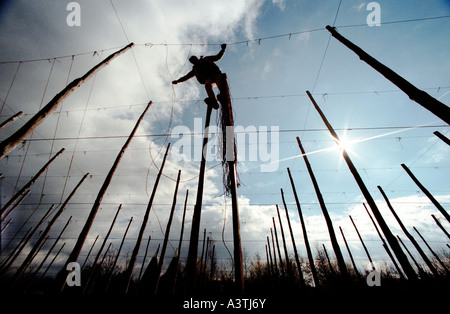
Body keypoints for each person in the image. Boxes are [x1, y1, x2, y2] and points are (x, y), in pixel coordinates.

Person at [172, 44, 227, 109]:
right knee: (207, 85)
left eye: (194, 59)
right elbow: (186, 77)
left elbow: (217, 57)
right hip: (208, 79)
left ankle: (223, 95)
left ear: (197, 58)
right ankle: (214, 101)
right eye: (193, 61)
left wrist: (223, 50)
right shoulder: (195, 70)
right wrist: (178, 81)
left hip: (216, 74)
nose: (194, 61)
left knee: (218, 80)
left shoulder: (206, 59)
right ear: (192, 63)